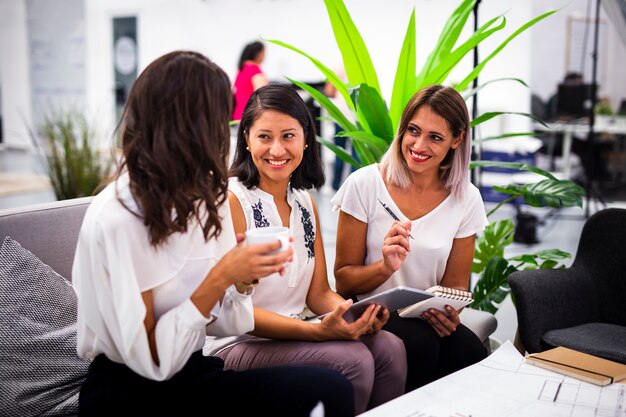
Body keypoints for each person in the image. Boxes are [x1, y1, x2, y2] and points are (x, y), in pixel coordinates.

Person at [72, 50, 355, 417]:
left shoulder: (200, 201)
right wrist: (221, 276)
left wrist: (243, 281)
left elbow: (224, 319)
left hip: (192, 373)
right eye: (220, 121)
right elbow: (151, 360)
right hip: (132, 393)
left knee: (330, 391)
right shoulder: (118, 217)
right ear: (184, 127)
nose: (226, 134)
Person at [211, 83, 407, 414]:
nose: (276, 149)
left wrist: (351, 314)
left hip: (301, 327)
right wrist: (317, 331)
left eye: (288, 136)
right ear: (246, 138)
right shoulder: (231, 201)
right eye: (264, 137)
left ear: (305, 138)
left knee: (391, 348)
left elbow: (318, 294)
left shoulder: (305, 202)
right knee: (354, 359)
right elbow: (233, 313)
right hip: (239, 342)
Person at [332, 84, 489, 391]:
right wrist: (385, 267)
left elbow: (456, 286)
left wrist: (450, 313)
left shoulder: (466, 198)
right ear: (402, 130)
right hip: (372, 311)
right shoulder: (365, 184)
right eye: (413, 131)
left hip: (424, 316)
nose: (419, 144)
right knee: (420, 342)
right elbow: (343, 282)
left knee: (469, 350)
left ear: (456, 140)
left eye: (435, 137)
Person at [323, 78, 359, 190]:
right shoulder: (369, 66)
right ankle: (353, 188)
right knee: (356, 157)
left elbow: (329, 91)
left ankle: (336, 186)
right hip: (357, 118)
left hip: (341, 117)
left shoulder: (337, 67)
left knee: (339, 153)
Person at [232, 41, 269, 121]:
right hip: (251, 117)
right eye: (263, 52)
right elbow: (263, 95)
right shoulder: (255, 70)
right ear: (257, 54)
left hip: (237, 116)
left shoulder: (241, 70)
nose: (264, 56)